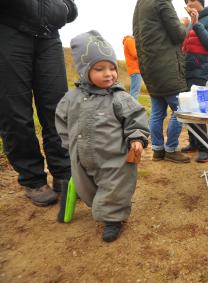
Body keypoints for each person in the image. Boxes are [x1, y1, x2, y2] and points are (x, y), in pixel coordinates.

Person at [55, 31, 150, 242]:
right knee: (87, 188)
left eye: (112, 68)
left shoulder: (119, 97)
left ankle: (113, 219)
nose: (109, 74)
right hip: (82, 157)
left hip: (114, 159)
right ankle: (100, 206)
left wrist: (136, 138)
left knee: (115, 189)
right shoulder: (71, 99)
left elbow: (135, 118)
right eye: (99, 69)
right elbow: (62, 122)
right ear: (83, 70)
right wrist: (70, 145)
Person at [0, 0, 78, 206]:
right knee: (14, 110)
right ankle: (32, 179)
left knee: (59, 108)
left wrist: (66, 8)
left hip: (49, 36)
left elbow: (71, 7)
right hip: (8, 29)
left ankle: (64, 172)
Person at [133, 0, 190, 163]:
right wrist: (184, 23)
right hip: (166, 66)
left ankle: (158, 149)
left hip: (149, 67)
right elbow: (178, 34)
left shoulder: (140, 4)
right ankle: (171, 149)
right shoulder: (162, 1)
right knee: (181, 110)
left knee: (157, 111)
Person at [180, 0, 208, 163]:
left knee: (196, 109)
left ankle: (204, 148)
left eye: (192, 0)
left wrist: (197, 24)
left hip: (200, 69)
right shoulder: (190, 22)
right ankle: (194, 143)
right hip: (186, 69)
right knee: (188, 108)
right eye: (186, 1)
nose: (189, 3)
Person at [122, 35, 143, 101]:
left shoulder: (129, 40)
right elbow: (135, 54)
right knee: (135, 91)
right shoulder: (129, 40)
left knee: (134, 90)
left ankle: (131, 106)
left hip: (134, 69)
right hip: (135, 69)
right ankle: (132, 107)